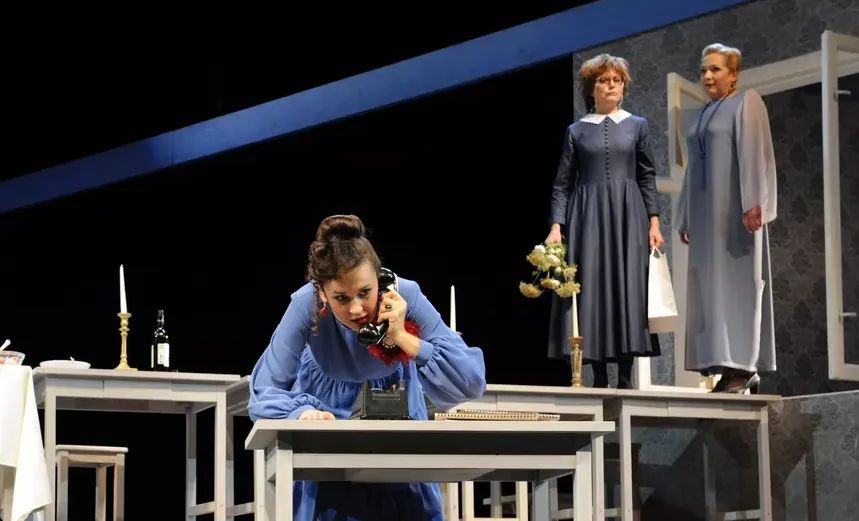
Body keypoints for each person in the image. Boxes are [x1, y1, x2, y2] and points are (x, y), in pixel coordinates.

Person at [248, 214, 486, 520]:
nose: (356, 308)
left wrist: (403, 337)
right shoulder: (305, 305)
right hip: (328, 469)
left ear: (380, 278)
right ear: (322, 293)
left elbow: (471, 381)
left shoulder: (405, 294)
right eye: (341, 298)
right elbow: (264, 389)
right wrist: (301, 413)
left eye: (364, 292)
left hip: (400, 465)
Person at [546, 53, 664, 388]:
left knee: (629, 285)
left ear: (623, 86)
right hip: (588, 216)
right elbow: (562, 183)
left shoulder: (638, 125)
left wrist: (654, 222)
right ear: (592, 88)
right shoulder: (576, 131)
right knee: (591, 288)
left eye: (617, 80)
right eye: (603, 80)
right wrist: (556, 226)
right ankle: (598, 375)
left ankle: (625, 376)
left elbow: (647, 175)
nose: (611, 85)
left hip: (629, 215)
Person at [675, 43, 777, 392]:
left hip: (736, 212)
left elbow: (755, 153)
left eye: (715, 69)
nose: (707, 76)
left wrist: (754, 202)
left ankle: (743, 367)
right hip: (705, 215)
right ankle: (724, 366)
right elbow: (691, 169)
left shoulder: (746, 102)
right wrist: (685, 214)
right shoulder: (703, 113)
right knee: (710, 287)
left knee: (738, 285)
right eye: (704, 70)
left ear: (733, 74)